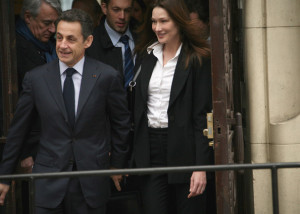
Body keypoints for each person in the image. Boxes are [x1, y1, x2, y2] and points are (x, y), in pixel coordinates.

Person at [0, 9, 130, 214]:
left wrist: (117, 166)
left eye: (71, 39)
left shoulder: (107, 77)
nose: (62, 45)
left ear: (87, 42)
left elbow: (121, 124)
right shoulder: (36, 79)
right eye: (59, 37)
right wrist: (5, 176)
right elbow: (18, 129)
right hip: (48, 182)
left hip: (91, 182)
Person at [132, 0, 212, 213]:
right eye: (153, 22)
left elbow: (202, 116)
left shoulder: (198, 58)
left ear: (178, 21)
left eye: (163, 21)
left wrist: (201, 167)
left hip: (185, 149)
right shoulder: (146, 55)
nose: (157, 27)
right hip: (150, 151)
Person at [86, 0, 136, 88]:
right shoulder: (90, 45)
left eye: (127, 10)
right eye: (116, 10)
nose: (122, 16)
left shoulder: (143, 37)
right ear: (104, 8)